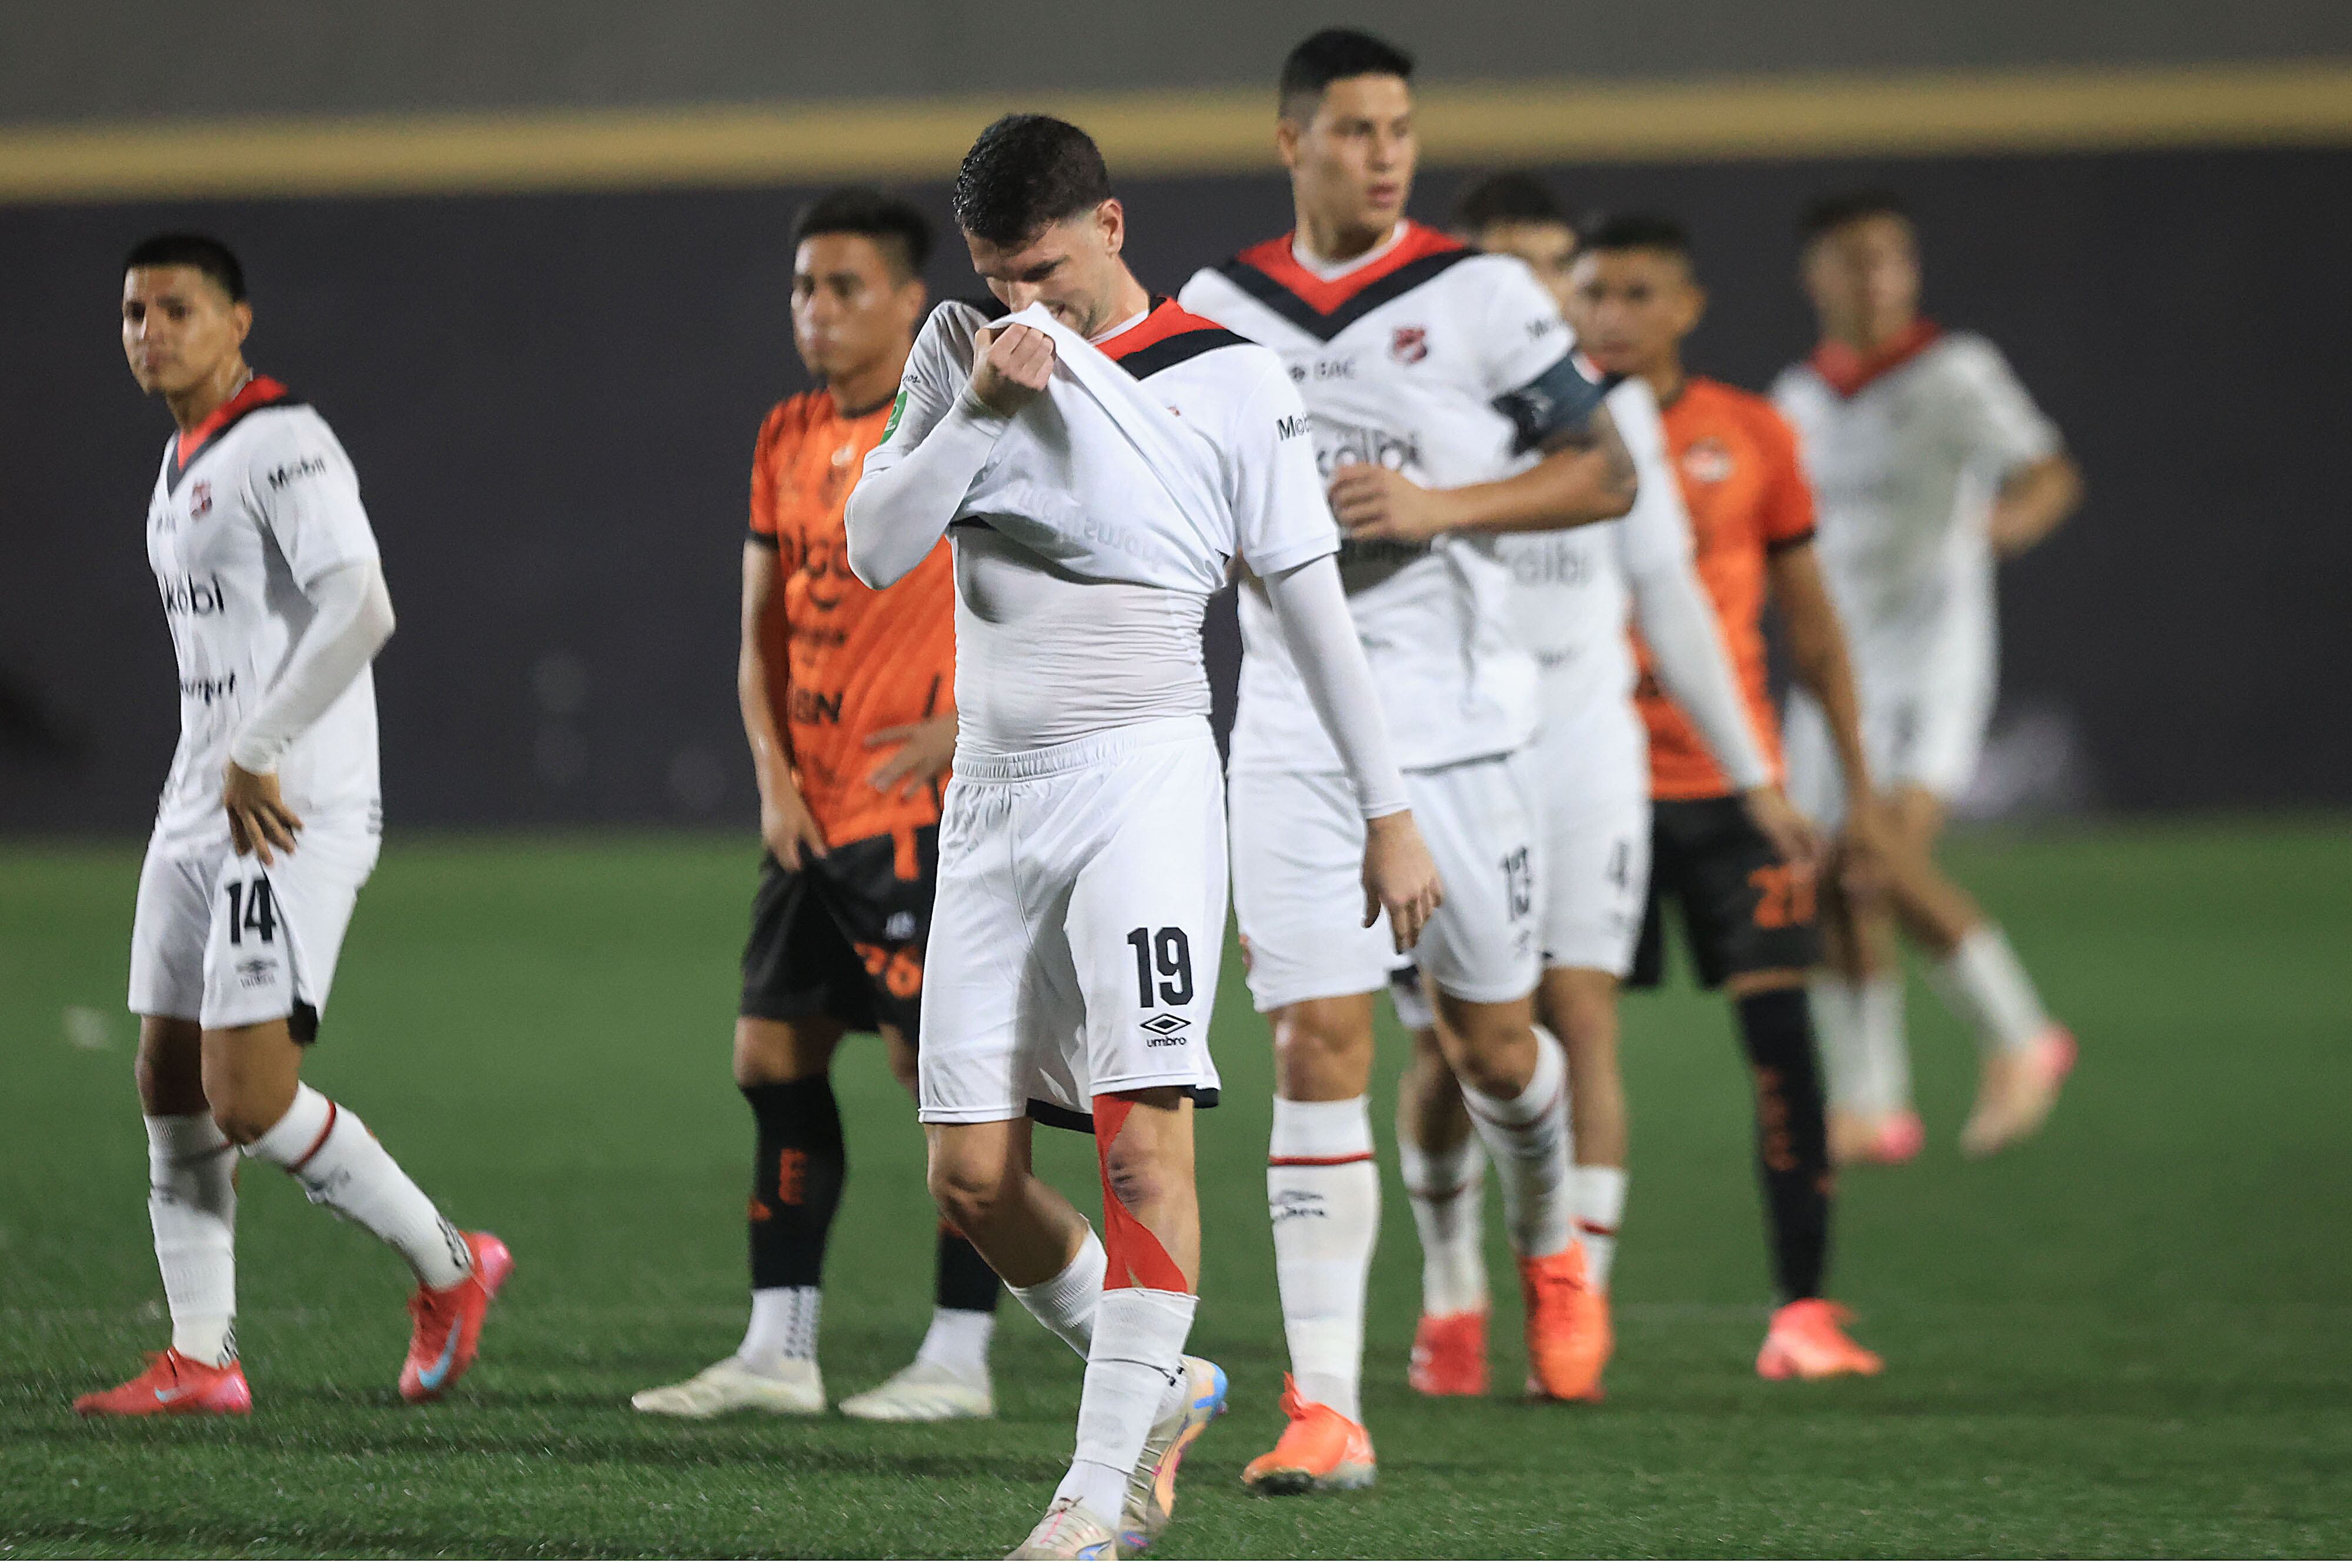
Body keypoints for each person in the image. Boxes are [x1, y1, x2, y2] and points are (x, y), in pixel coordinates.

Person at [845, 113, 1442, 1557]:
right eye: (998, 278)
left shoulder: (1230, 379)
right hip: (990, 793)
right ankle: (1160, 1384)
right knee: (972, 1177)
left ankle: (1096, 1493)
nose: (1023, 307)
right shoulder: (961, 359)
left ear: (1109, 229)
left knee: (1140, 1142)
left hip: (1143, 782)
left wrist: (1387, 807)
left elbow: (1307, 604)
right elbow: (876, 547)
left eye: (1044, 272)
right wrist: (982, 403)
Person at [1179, 31, 1642, 1490]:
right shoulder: (1215, 307)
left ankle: (1550, 1238)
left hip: (1454, 734)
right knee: (1316, 1042)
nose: (1384, 152)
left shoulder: (1482, 293)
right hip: (1288, 741)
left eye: (1400, 129)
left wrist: (1439, 505)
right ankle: (1328, 1404)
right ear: (1289, 140)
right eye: (1355, 129)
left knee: (1496, 1048)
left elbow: (1605, 472)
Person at [1385, 180, 1841, 1401]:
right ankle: (1448, 1290)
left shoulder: (1613, 418)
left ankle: (1571, 1290)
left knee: (1579, 1016)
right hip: (1449, 744)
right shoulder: (1412, 411)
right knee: (1450, 1047)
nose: (1542, 291)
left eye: (1557, 269)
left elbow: (1675, 606)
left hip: (1586, 745)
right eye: (1513, 265)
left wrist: (1753, 773)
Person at [78, 234, 507, 1419]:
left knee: (250, 1097)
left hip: (288, 801)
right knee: (168, 1077)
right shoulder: (179, 462)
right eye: (132, 311)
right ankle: (204, 1354)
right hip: (201, 796)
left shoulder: (285, 442)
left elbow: (362, 603)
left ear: (237, 323)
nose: (149, 329)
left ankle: (451, 1265)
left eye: (176, 308)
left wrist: (259, 747)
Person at [632, 190, 1006, 1426]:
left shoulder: (967, 420)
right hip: (814, 813)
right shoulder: (784, 431)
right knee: (770, 1057)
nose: (817, 308)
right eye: (804, 286)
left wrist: (974, 720)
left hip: (920, 810)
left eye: (846, 286)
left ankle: (958, 1355)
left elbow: (1047, 585)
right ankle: (777, 1348)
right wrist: (772, 776)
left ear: (913, 300)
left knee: (938, 1080)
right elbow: (761, 627)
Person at [1577, 209, 1886, 1376]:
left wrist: (1849, 790)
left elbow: (1811, 628)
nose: (1611, 314)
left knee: (1779, 1044)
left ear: (1687, 306)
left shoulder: (1751, 433)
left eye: (1637, 293)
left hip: (1729, 794)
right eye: (1595, 292)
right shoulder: (1544, 440)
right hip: (1594, 787)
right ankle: (1562, 1299)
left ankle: (1800, 1310)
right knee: (1555, 1051)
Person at [1773, 191, 2083, 1162]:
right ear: (1816, 275)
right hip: (1834, 672)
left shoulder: (1955, 372)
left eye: (1892, 259)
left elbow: (2048, 472)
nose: (1876, 279)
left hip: (1930, 665)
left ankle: (2022, 1036)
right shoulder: (1799, 397)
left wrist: (2003, 527)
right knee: (1826, 875)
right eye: (1854, 260)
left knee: (1882, 854)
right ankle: (1871, 1104)